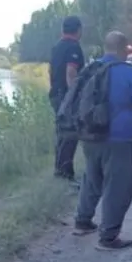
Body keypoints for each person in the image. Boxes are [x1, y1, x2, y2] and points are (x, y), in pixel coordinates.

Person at [74, 31, 132, 251]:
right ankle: (108, 237)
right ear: (124, 49)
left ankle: (82, 221)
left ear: (105, 47)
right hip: (119, 139)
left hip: (89, 137)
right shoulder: (129, 73)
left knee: (92, 178)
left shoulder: (91, 70)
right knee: (118, 186)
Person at [48, 15, 85, 184]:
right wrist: (74, 96)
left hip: (56, 94)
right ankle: (65, 174)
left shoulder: (56, 47)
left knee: (61, 133)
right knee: (70, 134)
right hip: (66, 96)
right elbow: (71, 72)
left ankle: (60, 171)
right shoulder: (73, 47)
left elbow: (50, 71)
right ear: (78, 30)